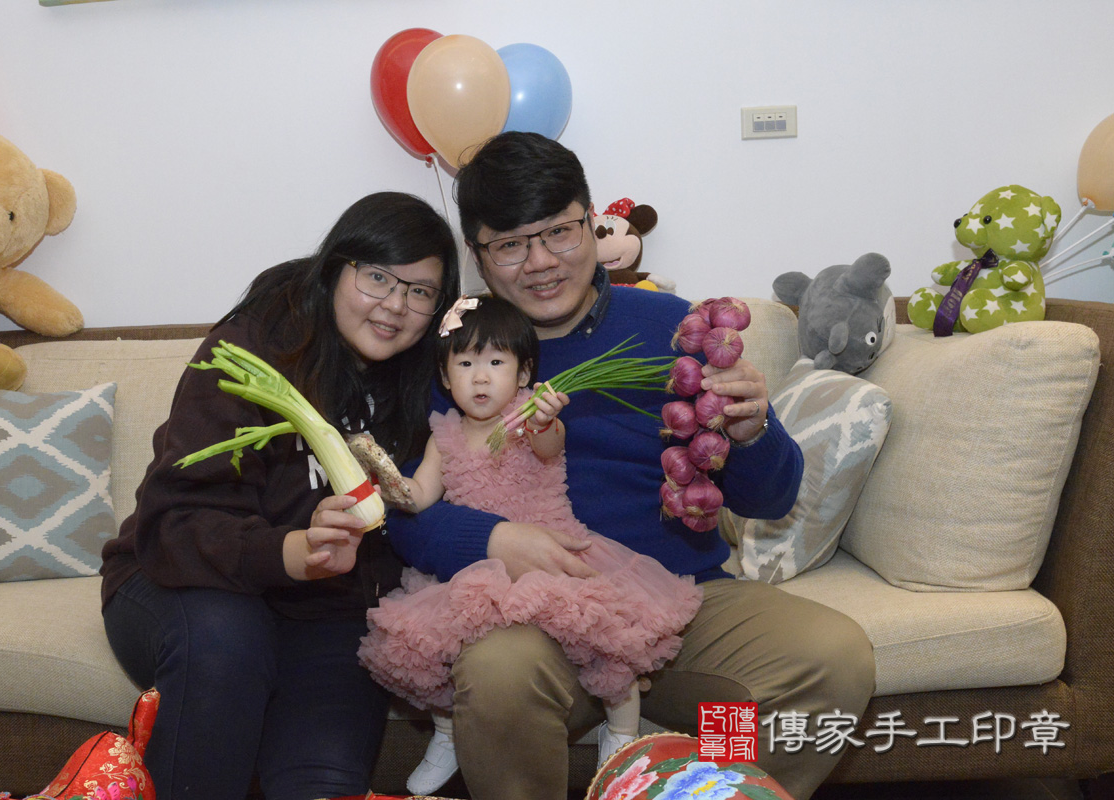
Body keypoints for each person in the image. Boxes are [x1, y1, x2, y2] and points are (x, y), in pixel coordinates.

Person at [385, 133, 876, 800]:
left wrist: (752, 431)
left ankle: (695, 792)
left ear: (592, 221)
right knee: (498, 673)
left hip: (679, 604)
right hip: (527, 617)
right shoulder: (454, 351)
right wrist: (495, 539)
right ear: (477, 254)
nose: (540, 262)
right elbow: (403, 512)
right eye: (510, 245)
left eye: (558, 232)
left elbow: (771, 499)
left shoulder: (673, 328)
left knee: (830, 658)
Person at [98, 191, 460, 800]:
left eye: (420, 291)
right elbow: (175, 524)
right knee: (229, 644)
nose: (396, 306)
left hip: (328, 613)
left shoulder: (430, 375)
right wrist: (291, 551)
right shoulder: (250, 351)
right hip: (185, 583)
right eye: (377, 277)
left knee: (322, 782)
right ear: (336, 267)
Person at [357, 295, 703, 795]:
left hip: (554, 556)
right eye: (465, 364)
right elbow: (421, 495)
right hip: (479, 569)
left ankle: (623, 737)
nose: (480, 378)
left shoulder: (528, 419)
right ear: (445, 376)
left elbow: (548, 445)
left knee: (607, 639)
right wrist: (386, 481)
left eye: (496, 363)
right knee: (433, 649)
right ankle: (449, 733)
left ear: (523, 374)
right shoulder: (443, 435)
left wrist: (543, 420)